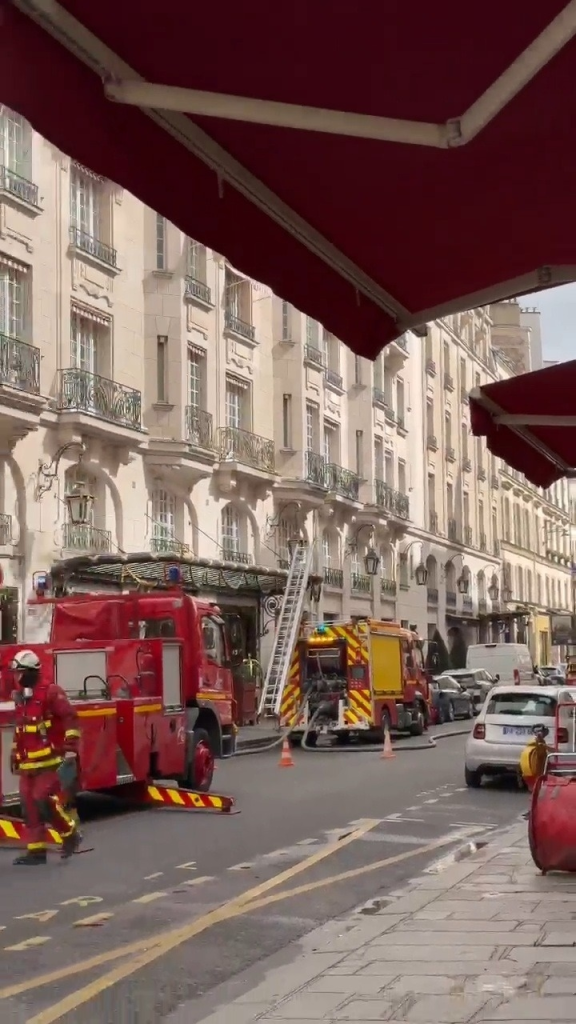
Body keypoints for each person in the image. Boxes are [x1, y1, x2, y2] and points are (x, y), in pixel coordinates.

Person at [10, 649, 82, 865]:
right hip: (28, 764)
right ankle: (36, 851)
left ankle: (70, 834)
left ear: (31, 671)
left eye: (20, 672)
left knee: (43, 800)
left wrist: (70, 746)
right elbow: (21, 729)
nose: (17, 676)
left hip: (49, 762)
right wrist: (15, 753)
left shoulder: (51, 692)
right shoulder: (22, 697)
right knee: (28, 804)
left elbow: (70, 716)